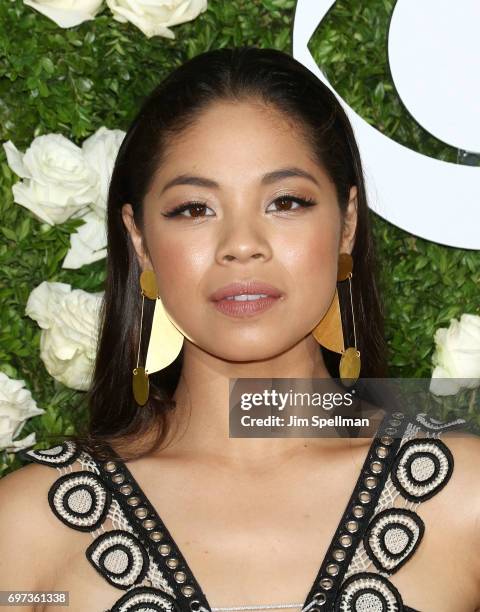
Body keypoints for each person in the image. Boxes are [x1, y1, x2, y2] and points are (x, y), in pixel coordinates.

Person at [0, 46, 479, 612]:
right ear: (139, 240)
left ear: (347, 222)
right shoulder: (30, 527)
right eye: (195, 209)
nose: (242, 244)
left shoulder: (463, 499)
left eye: (285, 201)